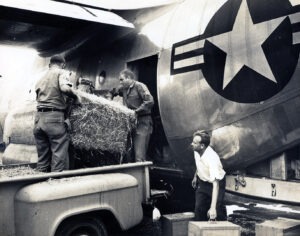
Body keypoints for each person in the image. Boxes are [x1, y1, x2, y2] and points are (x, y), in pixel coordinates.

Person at [33, 55, 80, 172]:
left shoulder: (40, 78)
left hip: (38, 119)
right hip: (53, 119)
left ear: (50, 65)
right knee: (59, 155)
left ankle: (40, 184)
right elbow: (64, 88)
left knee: (43, 160)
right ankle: (56, 183)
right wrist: (76, 96)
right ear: (63, 65)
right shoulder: (61, 72)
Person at [111, 69, 154, 162]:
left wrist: (136, 112)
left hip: (143, 122)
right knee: (128, 154)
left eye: (121, 79)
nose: (120, 82)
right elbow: (113, 91)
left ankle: (142, 174)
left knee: (139, 155)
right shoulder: (123, 88)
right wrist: (109, 99)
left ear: (129, 78)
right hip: (131, 122)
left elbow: (150, 101)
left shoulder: (140, 86)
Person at [191, 130, 227, 221]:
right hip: (202, 182)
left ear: (202, 146)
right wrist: (195, 176)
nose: (192, 144)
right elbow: (199, 163)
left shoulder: (212, 158)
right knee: (199, 209)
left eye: (194, 143)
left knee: (216, 211)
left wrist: (213, 208)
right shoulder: (196, 150)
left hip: (216, 183)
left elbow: (216, 185)